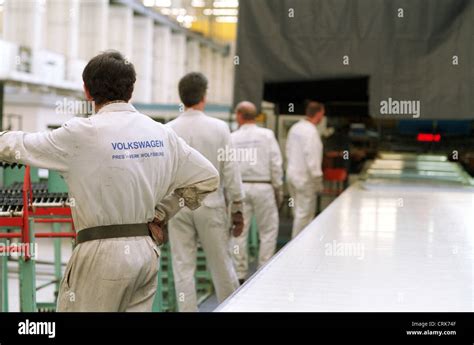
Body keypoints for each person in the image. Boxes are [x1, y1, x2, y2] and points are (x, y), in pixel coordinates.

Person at [0, 51, 219, 312]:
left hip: (99, 253)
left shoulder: (81, 133)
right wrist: (162, 214)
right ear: (131, 89)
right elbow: (208, 177)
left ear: (87, 91)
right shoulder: (162, 133)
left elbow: (20, 145)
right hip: (145, 251)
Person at [166, 72, 244, 312]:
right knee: (221, 264)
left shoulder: (168, 130)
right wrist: (238, 208)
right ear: (204, 96)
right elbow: (230, 171)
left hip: (177, 207)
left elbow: (164, 174)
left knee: (182, 267)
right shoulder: (219, 128)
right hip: (211, 204)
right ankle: (230, 308)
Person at [230, 101, 283, 283]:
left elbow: (227, 167)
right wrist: (278, 188)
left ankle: (239, 274)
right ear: (255, 116)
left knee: (239, 232)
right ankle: (264, 272)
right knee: (268, 231)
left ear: (239, 115)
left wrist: (229, 193)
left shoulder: (233, 137)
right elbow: (276, 164)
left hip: (240, 188)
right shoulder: (267, 135)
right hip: (264, 186)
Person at [286, 101, 325, 238]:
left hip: (292, 176)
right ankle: (297, 248)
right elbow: (312, 159)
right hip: (305, 179)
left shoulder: (295, 128)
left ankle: (297, 246)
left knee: (298, 213)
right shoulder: (311, 132)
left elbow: (288, 151)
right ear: (319, 113)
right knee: (305, 216)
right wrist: (318, 182)